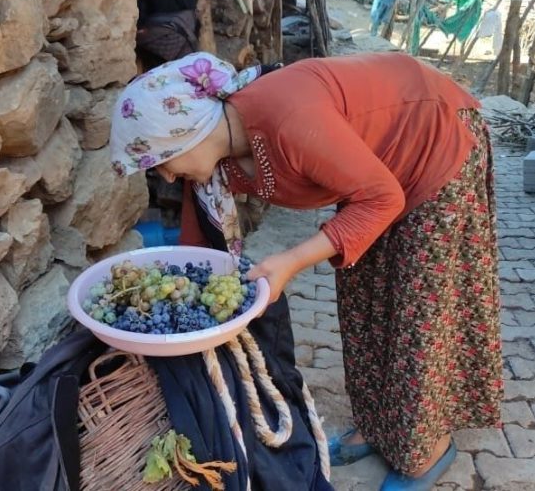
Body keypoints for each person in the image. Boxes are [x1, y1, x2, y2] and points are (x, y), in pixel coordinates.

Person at [109, 51, 502, 491]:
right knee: (365, 303)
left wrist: (292, 260)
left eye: (159, 160)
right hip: (377, 171)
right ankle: (378, 427)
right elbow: (200, 251)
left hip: (434, 140)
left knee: (416, 313)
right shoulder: (215, 165)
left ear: (185, 134)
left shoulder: (288, 119)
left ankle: (426, 447)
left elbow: (382, 199)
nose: (163, 177)